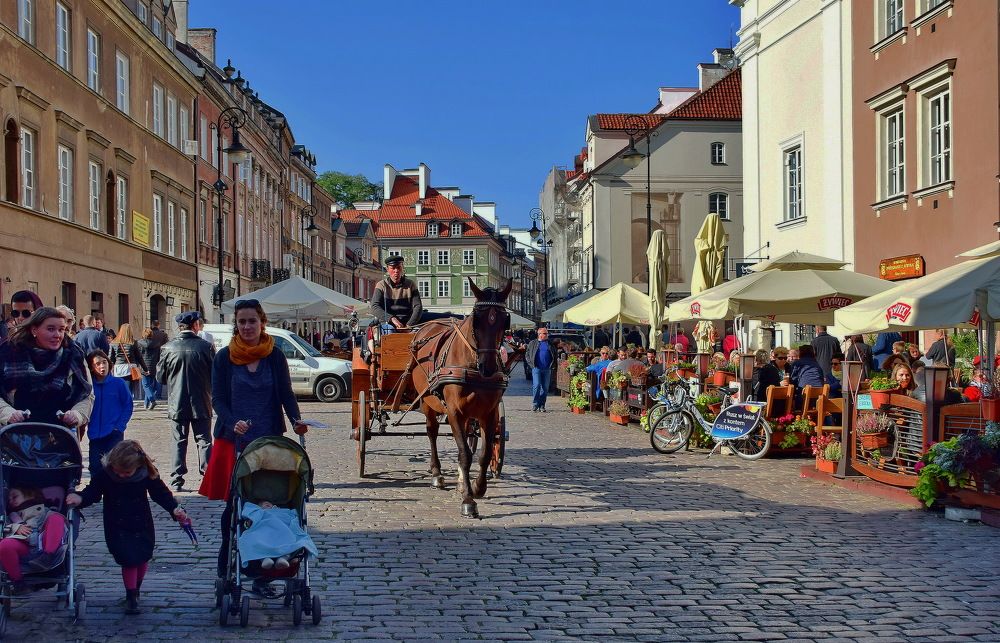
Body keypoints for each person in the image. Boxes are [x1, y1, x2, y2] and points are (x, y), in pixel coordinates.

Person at [197, 298, 306, 580]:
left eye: (252, 321)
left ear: (262, 323)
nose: (247, 326)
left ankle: (265, 566)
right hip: (233, 439)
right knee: (235, 504)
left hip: (268, 439)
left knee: (271, 503)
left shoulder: (275, 356)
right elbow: (218, 399)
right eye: (242, 321)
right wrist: (234, 422)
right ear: (236, 324)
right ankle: (228, 562)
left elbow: (285, 393)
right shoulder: (223, 357)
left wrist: (296, 420)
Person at [66, 440, 187, 615]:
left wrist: (174, 509)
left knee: (143, 556)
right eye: (118, 471)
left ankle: (136, 589)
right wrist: (80, 499)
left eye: (126, 472)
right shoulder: (106, 475)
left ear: (137, 467)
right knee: (129, 560)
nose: (121, 475)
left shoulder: (146, 474)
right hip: (117, 525)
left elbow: (161, 494)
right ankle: (131, 595)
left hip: (141, 523)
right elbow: (92, 492)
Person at [0, 307, 93, 427]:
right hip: (13, 433)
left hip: (59, 434)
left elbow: (87, 393)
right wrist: (8, 414)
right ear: (34, 330)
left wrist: (77, 414)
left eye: (61, 329)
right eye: (50, 329)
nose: (57, 335)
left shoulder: (73, 354)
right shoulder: (9, 352)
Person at [156, 311, 214, 492]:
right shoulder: (206, 347)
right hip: (202, 400)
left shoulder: (168, 348)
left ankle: (176, 479)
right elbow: (215, 375)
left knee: (178, 440)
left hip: (177, 402)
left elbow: (160, 377)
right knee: (203, 440)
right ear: (195, 325)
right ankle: (207, 476)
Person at [0, 486, 67, 593]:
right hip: (23, 547)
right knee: (5, 544)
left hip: (43, 545)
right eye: (9, 499)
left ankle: (48, 556)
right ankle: (17, 582)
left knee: (56, 518)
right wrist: (16, 527)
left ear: (30, 495)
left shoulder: (45, 510)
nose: (11, 501)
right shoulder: (12, 515)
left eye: (15, 497)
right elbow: (4, 529)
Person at [84, 349, 133, 473]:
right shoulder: (89, 387)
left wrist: (119, 426)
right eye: (98, 364)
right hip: (94, 434)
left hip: (114, 433)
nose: (102, 366)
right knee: (95, 467)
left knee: (112, 468)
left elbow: (128, 405)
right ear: (91, 367)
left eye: (104, 362)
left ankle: (112, 493)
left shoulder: (119, 383)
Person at [238, 500, 318, 571]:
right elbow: (249, 523)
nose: (266, 504)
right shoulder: (258, 512)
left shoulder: (282, 511)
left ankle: (283, 558)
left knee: (290, 539)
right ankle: (265, 559)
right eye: (263, 504)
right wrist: (250, 520)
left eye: (269, 503)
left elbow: (291, 518)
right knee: (252, 538)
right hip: (263, 532)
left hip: (282, 531)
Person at [371, 254, 423, 331]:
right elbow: (374, 307)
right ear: (388, 269)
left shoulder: (411, 284)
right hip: (388, 323)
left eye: (398, 267)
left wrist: (409, 324)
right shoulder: (381, 285)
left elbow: (418, 306)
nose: (396, 271)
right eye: (393, 268)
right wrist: (392, 319)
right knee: (390, 331)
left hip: (408, 322)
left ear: (402, 268)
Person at [110, 323, 148, 400]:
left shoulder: (113, 343)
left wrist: (110, 369)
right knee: (129, 389)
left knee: (119, 388)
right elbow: (139, 357)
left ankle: (120, 403)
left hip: (118, 368)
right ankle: (127, 404)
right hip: (130, 368)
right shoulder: (133, 343)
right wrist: (145, 369)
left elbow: (110, 358)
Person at [525, 326, 555, 413]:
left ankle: (542, 405)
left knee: (545, 388)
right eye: (545, 333)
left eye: (547, 333)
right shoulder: (533, 343)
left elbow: (554, 354)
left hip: (547, 369)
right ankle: (535, 404)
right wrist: (531, 365)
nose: (547, 335)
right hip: (536, 368)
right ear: (539, 334)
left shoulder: (549, 343)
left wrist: (552, 365)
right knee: (537, 385)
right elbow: (527, 355)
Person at [136, 328, 161, 410]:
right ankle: (146, 404)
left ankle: (152, 400)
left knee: (146, 385)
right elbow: (159, 356)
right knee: (149, 385)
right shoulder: (157, 344)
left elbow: (139, 356)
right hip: (154, 366)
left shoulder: (140, 343)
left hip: (144, 366)